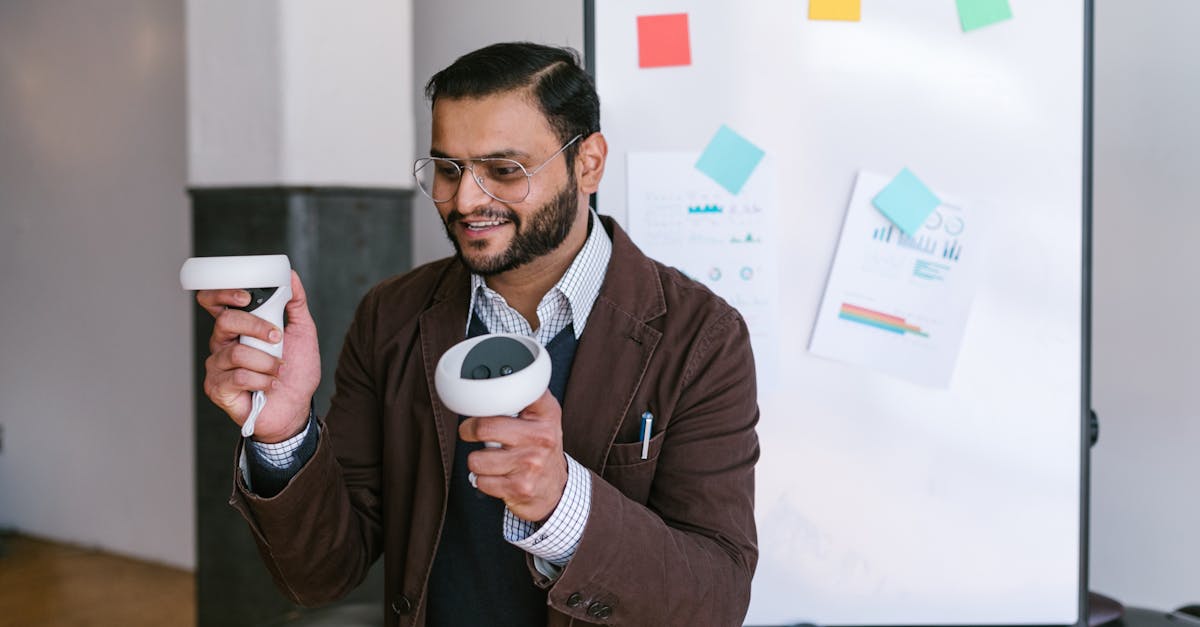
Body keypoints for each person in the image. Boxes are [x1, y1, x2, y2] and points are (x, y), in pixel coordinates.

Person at [195, 42, 759, 627]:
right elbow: (322, 575)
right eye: (448, 169)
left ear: (588, 163)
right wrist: (285, 433)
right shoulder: (391, 315)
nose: (465, 200)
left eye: (504, 171)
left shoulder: (701, 338)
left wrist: (563, 503)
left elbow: (716, 598)